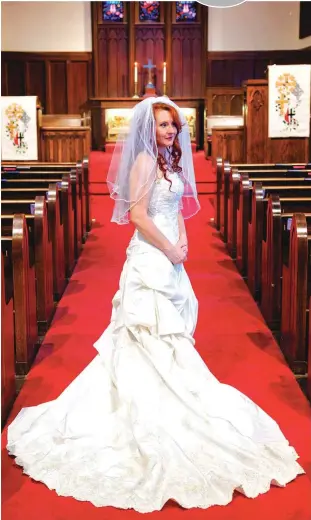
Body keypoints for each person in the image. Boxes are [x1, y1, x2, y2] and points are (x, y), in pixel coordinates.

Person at [7, 97, 305, 513]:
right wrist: (169, 248)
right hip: (150, 258)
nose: (170, 131)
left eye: (173, 124)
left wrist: (183, 239)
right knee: (147, 331)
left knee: (173, 331)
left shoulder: (169, 159)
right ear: (150, 128)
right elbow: (138, 216)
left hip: (171, 255)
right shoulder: (145, 161)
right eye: (163, 125)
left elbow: (176, 206)